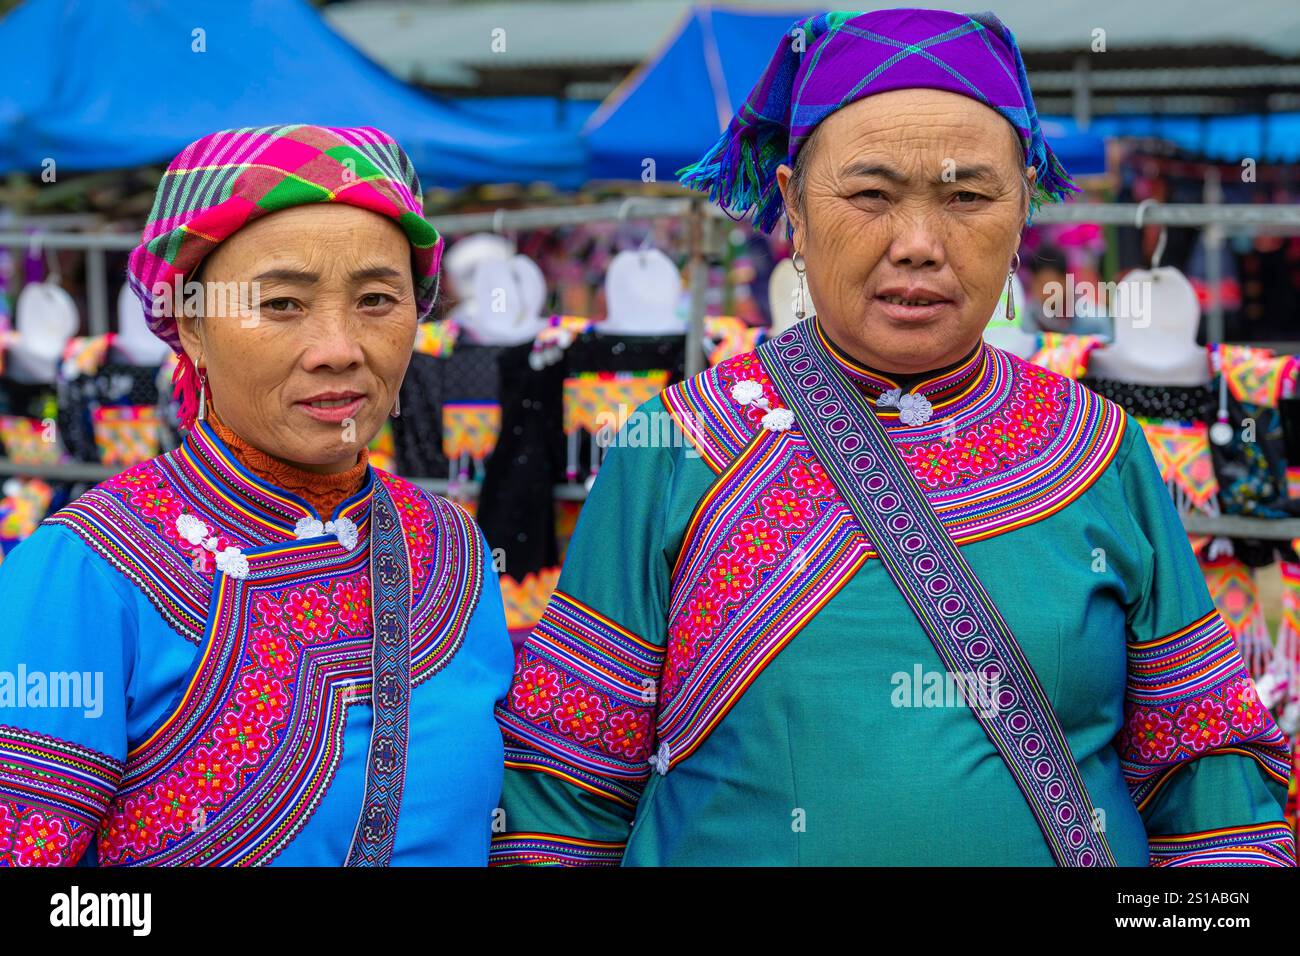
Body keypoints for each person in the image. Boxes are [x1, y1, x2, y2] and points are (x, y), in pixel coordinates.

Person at [490, 9, 1294, 866]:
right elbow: (565, 790)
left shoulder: (1099, 447)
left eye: (968, 196)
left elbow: (1207, 771)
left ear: (1025, 204)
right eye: (870, 195)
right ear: (795, 205)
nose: (918, 244)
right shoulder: (676, 445)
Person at [0, 125, 513, 866]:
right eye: (281, 303)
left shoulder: (452, 548)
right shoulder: (86, 571)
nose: (339, 345)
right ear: (192, 328)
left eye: (376, 298)